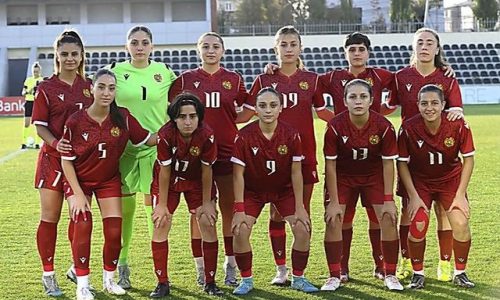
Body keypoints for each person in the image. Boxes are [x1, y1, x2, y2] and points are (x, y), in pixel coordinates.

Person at [61, 69, 157, 300]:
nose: (106, 92)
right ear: (92, 89)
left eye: (111, 88)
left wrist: (176, 130)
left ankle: (109, 280)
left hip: (108, 180)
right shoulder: (76, 120)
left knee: (114, 233)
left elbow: (146, 139)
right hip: (79, 181)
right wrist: (76, 193)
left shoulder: (122, 117)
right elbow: (66, 161)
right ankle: (82, 284)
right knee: (83, 225)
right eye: (101, 87)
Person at [249, 25, 334, 285]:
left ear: (300, 48)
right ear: (276, 49)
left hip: (304, 156)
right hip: (270, 160)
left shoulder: (313, 79)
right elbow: (245, 112)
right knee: (276, 214)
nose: (288, 49)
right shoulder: (264, 80)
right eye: (283, 44)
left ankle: (300, 274)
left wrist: (352, 122)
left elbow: (323, 113)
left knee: (301, 214)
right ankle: (281, 270)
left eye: (292, 44)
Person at [168, 32, 252, 286]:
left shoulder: (234, 79)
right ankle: (201, 268)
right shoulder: (185, 80)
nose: (211, 51)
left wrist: (226, 125)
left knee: (228, 211)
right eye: (205, 46)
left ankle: (230, 265)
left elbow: (246, 109)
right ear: (198, 50)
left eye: (216, 46)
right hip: (194, 155)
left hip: (227, 153)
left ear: (223, 51)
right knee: (200, 213)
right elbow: (173, 114)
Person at [384, 27, 464, 281]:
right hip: (411, 153)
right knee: (409, 209)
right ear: (413, 47)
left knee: (443, 211)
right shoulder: (400, 76)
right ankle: (407, 262)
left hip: (443, 154)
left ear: (437, 48)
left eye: (430, 42)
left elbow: (457, 111)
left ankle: (444, 262)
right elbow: (386, 104)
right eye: (420, 42)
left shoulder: (447, 77)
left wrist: (459, 116)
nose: (425, 46)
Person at [320, 32, 393, 282]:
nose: (357, 53)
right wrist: (279, 68)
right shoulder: (333, 77)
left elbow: (405, 83)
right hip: (342, 162)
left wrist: (441, 66)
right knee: (342, 218)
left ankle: (381, 265)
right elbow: (306, 84)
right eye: (352, 49)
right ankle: (341, 268)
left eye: (361, 49)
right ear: (345, 53)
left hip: (373, 161)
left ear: (368, 52)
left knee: (378, 216)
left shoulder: (381, 76)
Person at [108, 25, 177, 289]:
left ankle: (159, 273)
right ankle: (122, 265)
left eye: (144, 42)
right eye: (134, 42)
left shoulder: (164, 72)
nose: (139, 47)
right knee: (124, 213)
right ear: (127, 46)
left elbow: (188, 93)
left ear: (152, 46)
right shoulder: (116, 73)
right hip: (123, 151)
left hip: (154, 150)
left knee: (155, 211)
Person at [231, 87, 317, 295]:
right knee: (240, 230)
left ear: (281, 108)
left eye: (272, 105)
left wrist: (300, 206)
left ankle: (298, 277)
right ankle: (246, 280)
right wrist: (239, 209)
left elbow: (296, 173)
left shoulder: (291, 134)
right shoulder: (244, 136)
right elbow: (237, 175)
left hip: (283, 190)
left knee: (303, 228)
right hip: (253, 191)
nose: (267, 110)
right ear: (256, 110)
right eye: (262, 106)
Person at [322, 79, 403, 292]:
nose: (358, 101)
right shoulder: (335, 126)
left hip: (373, 176)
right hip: (342, 177)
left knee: (387, 217)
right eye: (353, 97)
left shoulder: (384, 126)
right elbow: (330, 165)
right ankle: (335, 274)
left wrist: (388, 200)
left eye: (363, 97)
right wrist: (333, 201)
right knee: (334, 219)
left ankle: (390, 273)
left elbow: (388, 163)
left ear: (371, 100)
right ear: (345, 101)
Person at [31, 29, 93, 297]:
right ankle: (48, 275)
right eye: (65, 54)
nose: (70, 58)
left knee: (79, 217)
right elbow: (40, 126)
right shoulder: (46, 88)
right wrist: (56, 144)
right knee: (50, 218)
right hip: (52, 161)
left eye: (74, 54)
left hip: (81, 165)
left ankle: (75, 268)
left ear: (82, 56)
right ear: (57, 55)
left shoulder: (91, 87)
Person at [397, 84, 475, 289]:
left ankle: (460, 272)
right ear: (418, 105)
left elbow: (468, 160)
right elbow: (402, 163)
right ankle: (418, 273)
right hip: (419, 182)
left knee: (460, 223)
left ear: (443, 105)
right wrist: (413, 196)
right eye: (424, 103)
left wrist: (460, 195)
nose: (429, 107)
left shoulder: (458, 125)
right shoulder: (408, 127)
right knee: (418, 225)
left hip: (450, 180)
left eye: (434, 103)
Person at [149, 93, 224, 297]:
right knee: (161, 222)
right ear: (174, 117)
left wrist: (208, 203)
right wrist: (162, 204)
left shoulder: (206, 134)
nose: (188, 121)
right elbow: (164, 171)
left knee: (207, 221)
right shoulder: (165, 134)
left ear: (199, 117)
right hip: (169, 181)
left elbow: (207, 169)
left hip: (197, 181)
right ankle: (162, 282)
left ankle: (209, 280)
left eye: (192, 116)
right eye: (182, 116)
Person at [21, 61, 44, 149]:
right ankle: (23, 142)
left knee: (37, 123)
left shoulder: (41, 80)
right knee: (27, 123)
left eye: (37, 71)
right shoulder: (28, 80)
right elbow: (23, 92)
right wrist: (27, 91)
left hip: (37, 103)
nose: (35, 73)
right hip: (29, 102)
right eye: (34, 71)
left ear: (40, 71)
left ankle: (37, 143)